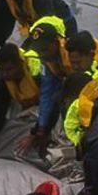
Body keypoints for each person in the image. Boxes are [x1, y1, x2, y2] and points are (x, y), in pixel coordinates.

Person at [20, 16, 73, 153]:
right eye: (39, 50)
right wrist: (41, 129)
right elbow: (47, 94)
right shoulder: (47, 61)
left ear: (56, 42)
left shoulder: (73, 56)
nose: (41, 54)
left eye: (45, 49)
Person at [0, 43, 42, 156]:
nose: (5, 74)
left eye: (9, 70)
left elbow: (51, 105)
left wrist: (33, 136)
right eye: (2, 70)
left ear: (19, 64)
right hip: (30, 110)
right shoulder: (6, 80)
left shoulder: (37, 72)